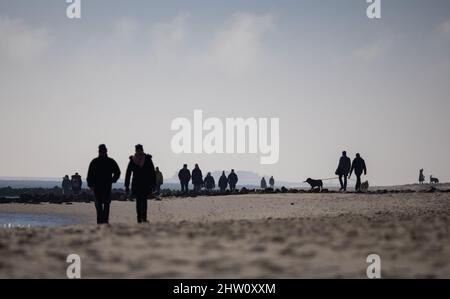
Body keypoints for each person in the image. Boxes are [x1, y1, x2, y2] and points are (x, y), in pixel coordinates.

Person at [87, 144, 121, 224]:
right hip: (98, 186)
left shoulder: (110, 161)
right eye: (101, 151)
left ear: (106, 151)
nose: (102, 152)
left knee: (105, 204)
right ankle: (101, 221)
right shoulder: (94, 161)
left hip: (106, 186)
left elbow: (117, 172)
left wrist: (113, 180)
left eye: (103, 151)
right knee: (100, 205)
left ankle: (104, 221)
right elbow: (90, 175)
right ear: (99, 151)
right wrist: (90, 184)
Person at [125, 144, 156, 223]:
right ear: (136, 151)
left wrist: (153, 184)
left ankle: (144, 218)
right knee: (139, 202)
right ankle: (139, 218)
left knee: (144, 201)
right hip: (137, 184)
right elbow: (128, 173)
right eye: (138, 150)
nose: (139, 151)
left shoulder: (148, 159)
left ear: (142, 150)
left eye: (140, 150)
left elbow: (152, 172)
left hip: (145, 183)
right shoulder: (132, 160)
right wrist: (127, 185)